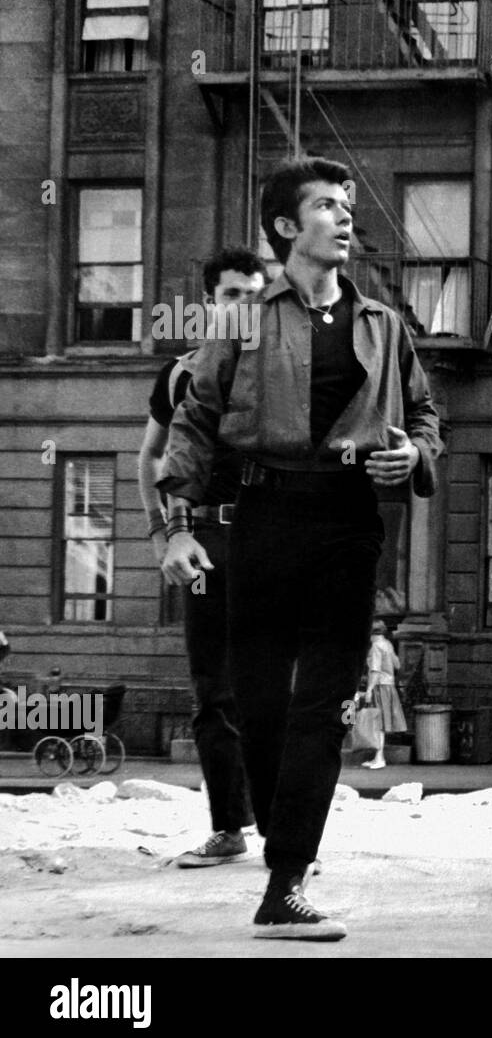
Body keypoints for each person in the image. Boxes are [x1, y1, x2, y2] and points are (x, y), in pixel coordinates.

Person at [158, 156, 443, 941]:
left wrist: (414, 456)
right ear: (286, 227)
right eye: (326, 205)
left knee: (324, 700)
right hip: (263, 515)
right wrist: (176, 525)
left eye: (348, 205)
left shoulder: (383, 324)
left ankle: (285, 878)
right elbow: (193, 423)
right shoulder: (242, 318)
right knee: (258, 700)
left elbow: (424, 414)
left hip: (349, 519)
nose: (347, 216)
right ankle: (281, 840)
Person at [137, 247, 264, 868]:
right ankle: (228, 827)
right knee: (213, 689)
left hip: (274, 540)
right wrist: (163, 537)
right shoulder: (181, 374)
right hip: (207, 541)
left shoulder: (282, 375)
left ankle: (289, 833)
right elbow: (151, 459)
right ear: (210, 302)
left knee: (279, 686)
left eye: (255, 295)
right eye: (233, 295)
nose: (245, 307)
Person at [360, 621, 405, 770]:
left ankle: (379, 758)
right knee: (382, 723)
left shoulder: (375, 647)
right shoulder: (387, 644)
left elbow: (375, 671)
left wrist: (369, 690)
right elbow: (397, 665)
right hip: (389, 686)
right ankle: (378, 757)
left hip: (379, 687)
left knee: (378, 724)